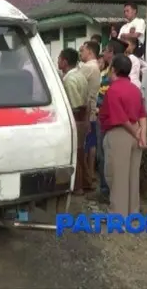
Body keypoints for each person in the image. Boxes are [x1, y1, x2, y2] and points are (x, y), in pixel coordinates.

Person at [99, 54, 147, 216]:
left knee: (117, 176)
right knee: (133, 176)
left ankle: (118, 215)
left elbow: (120, 117)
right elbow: (142, 114)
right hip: (135, 132)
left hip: (120, 132)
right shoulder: (135, 89)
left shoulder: (113, 90)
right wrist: (141, 135)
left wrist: (135, 133)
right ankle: (133, 212)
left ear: (113, 69)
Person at [93, 39, 128, 204]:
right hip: (105, 119)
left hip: (108, 121)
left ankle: (107, 191)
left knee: (105, 156)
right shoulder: (107, 72)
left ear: (112, 53)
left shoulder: (113, 77)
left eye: (106, 50)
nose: (104, 53)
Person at [58, 48, 89, 196]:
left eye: (59, 59)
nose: (57, 62)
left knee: (74, 154)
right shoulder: (80, 75)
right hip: (83, 119)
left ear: (64, 62)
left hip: (75, 120)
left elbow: (74, 106)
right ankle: (85, 182)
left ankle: (77, 187)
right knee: (80, 153)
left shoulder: (69, 79)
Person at [78, 41, 101, 192]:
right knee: (91, 145)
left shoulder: (88, 67)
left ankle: (85, 177)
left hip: (86, 112)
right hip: (93, 111)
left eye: (83, 50)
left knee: (84, 147)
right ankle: (90, 174)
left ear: (90, 52)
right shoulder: (96, 67)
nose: (81, 53)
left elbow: (75, 79)